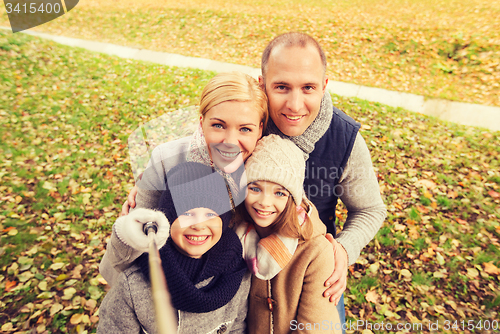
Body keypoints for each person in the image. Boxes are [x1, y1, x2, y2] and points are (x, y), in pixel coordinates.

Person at [121, 32, 387, 327]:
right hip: (236, 260)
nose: (295, 105)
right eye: (282, 87)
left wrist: (344, 249)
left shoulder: (345, 139)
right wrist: (154, 181)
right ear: (263, 84)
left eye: (308, 88)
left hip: (305, 265)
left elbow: (371, 209)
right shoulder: (247, 123)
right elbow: (206, 140)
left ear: (324, 86)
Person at [100, 71, 268, 287]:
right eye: (218, 125)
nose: (230, 142)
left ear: (260, 129)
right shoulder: (166, 159)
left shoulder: (264, 167)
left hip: (226, 282)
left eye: (245, 129)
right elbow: (137, 240)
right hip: (162, 274)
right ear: (201, 122)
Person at [97, 162, 250, 334]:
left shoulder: (236, 272)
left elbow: (237, 326)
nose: (199, 225)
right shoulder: (134, 285)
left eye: (210, 214)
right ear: (167, 219)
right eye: (187, 213)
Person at [235, 135, 341, 334]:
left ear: (293, 198)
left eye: (279, 193)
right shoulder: (237, 235)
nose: (265, 202)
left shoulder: (316, 252)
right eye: (255, 188)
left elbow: (314, 329)